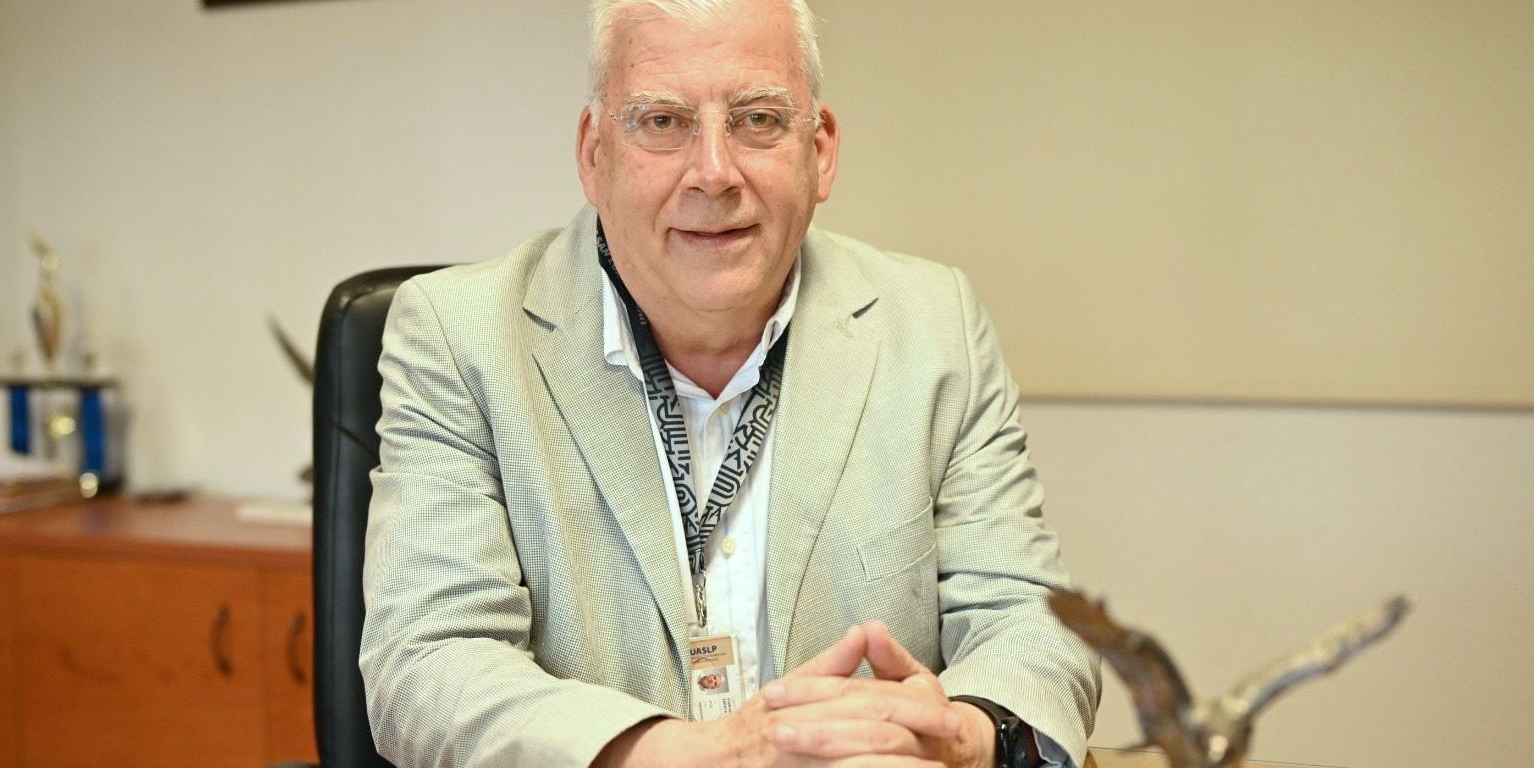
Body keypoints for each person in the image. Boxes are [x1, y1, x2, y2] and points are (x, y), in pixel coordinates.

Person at [359, 0, 1100, 766]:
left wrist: (961, 737)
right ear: (593, 153)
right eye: (662, 122)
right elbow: (428, 665)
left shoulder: (934, 324)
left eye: (757, 120)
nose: (714, 172)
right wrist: (708, 755)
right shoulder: (460, 336)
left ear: (821, 152)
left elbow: (1034, 621)